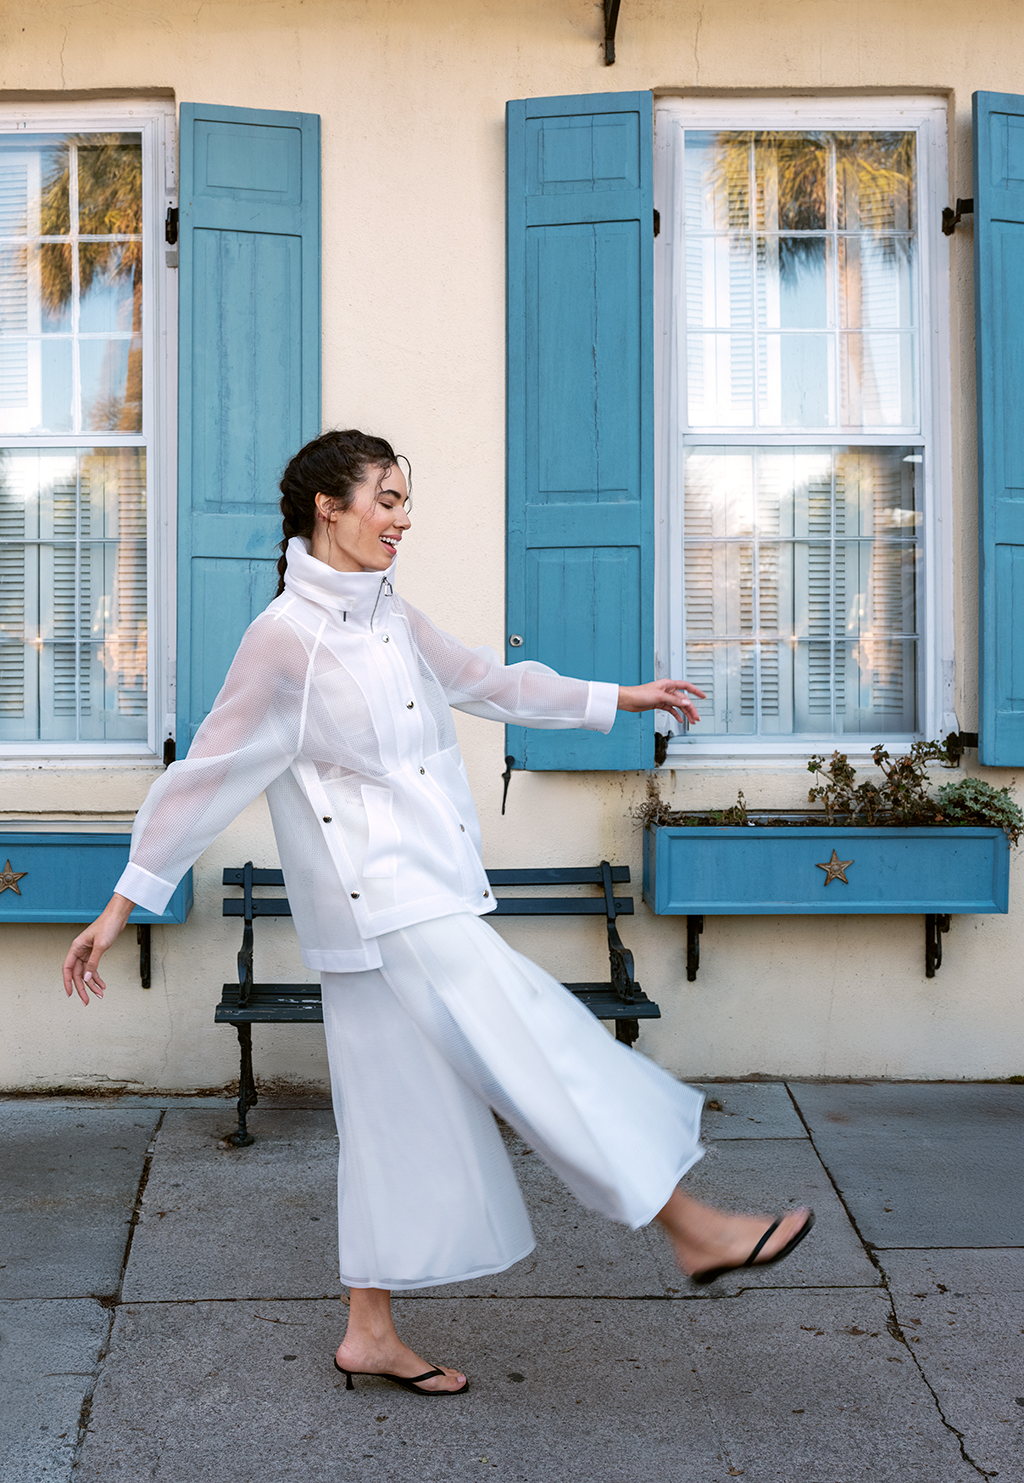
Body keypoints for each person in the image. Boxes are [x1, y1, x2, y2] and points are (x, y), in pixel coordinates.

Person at [63, 429, 814, 1397]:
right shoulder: (284, 637)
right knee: (541, 1042)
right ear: (326, 508)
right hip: (389, 903)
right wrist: (125, 901)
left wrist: (622, 696)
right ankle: (694, 1227)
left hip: (413, 897)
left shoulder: (388, 614)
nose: (402, 516)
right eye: (385, 497)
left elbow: (489, 682)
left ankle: (368, 1328)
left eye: (405, 498)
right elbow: (206, 768)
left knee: (389, 1116)